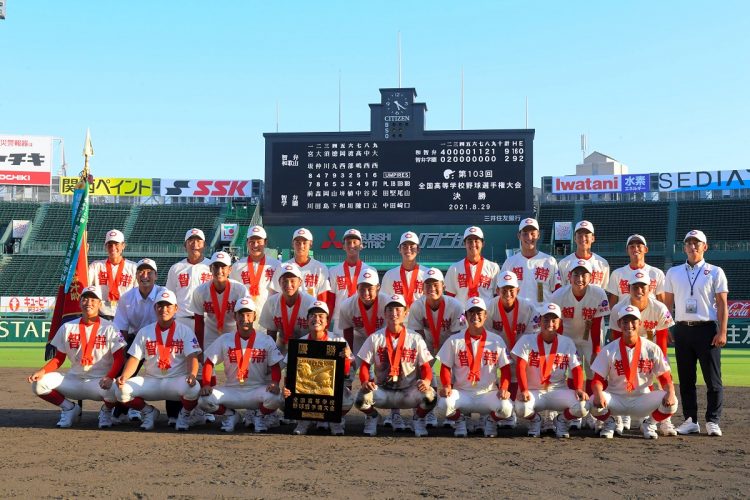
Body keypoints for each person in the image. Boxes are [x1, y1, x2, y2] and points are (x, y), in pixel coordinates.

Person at [28, 286, 126, 429]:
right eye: (85, 299)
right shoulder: (67, 327)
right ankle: (69, 408)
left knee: (115, 389)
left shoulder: (111, 328)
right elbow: (58, 359)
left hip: (98, 382)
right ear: (80, 303)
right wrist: (42, 371)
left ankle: (106, 411)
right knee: (38, 384)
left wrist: (110, 376)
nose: (88, 303)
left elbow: (119, 358)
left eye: (93, 299)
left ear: (100, 304)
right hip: (73, 379)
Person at [664, 229, 728, 437]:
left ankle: (712, 420)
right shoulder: (673, 272)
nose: (692, 246)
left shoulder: (715, 271)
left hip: (706, 329)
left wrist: (723, 332)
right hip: (682, 329)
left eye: (696, 243)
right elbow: (667, 303)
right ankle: (690, 420)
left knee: (713, 379)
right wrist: (666, 328)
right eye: (689, 243)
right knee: (686, 378)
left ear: (704, 247)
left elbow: (722, 304)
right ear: (684, 247)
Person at [114, 289, 202, 431]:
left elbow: (192, 356)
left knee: (194, 387)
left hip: (175, 380)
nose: (164, 309)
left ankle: (184, 414)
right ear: (155, 308)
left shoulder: (184, 330)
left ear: (176, 309)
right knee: (120, 390)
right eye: (160, 306)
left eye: (168, 306)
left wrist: (192, 374)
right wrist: (124, 376)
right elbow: (135, 359)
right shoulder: (145, 331)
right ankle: (148, 412)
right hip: (151, 380)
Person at [587, 305, 678, 439]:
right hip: (616, 399)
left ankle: (649, 424)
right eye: (625, 321)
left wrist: (670, 392)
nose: (629, 325)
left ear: (640, 323)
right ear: (619, 324)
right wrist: (598, 393)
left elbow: (665, 378)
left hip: (642, 399)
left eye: (633, 321)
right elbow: (597, 380)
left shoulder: (652, 348)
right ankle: (609, 423)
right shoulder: (609, 349)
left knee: (673, 402)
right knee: (593, 401)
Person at [354, 294, 437, 437]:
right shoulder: (375, 338)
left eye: (398, 309)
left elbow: (425, 367)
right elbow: (364, 365)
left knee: (431, 396)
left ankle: (418, 418)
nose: (394, 313)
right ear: (385, 313)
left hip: (408, 392)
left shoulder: (415, 338)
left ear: (405, 312)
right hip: (383, 391)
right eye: (390, 310)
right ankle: (373, 416)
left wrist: (427, 381)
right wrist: (365, 381)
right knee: (360, 398)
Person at [198, 297, 284, 433]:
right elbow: (209, 362)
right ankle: (231, 415)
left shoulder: (265, 340)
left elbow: (275, 366)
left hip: (256, 390)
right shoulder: (225, 339)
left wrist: (274, 382)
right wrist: (207, 384)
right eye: (241, 314)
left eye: (248, 314)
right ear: (235, 317)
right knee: (203, 400)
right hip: (232, 389)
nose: (245, 318)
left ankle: (259, 416)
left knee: (276, 398)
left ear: (254, 316)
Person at [436, 297, 513, 438]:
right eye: (471, 313)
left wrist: (504, 388)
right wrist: (446, 385)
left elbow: (505, 369)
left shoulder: (496, 340)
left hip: (487, 393)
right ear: (465, 316)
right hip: (462, 393)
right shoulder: (455, 340)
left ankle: (490, 421)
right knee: (442, 405)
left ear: (485, 316)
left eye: (479, 313)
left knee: (507, 408)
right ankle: (460, 420)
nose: (475, 316)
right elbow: (445, 366)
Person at [610, 271, 676, 436]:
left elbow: (661, 339)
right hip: (626, 350)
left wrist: (661, 362)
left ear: (650, 288)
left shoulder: (659, 308)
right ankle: (620, 418)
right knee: (619, 377)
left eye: (643, 287)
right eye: (635, 287)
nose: (639, 290)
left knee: (664, 381)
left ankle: (664, 421)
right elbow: (616, 339)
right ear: (628, 288)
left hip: (651, 351)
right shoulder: (618, 308)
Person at [549, 258, 610, 430]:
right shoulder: (559, 295)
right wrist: (558, 347)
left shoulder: (598, 294)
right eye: (576, 274)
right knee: (568, 373)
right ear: (569, 276)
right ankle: (575, 412)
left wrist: (596, 349)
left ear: (591, 277)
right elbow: (556, 323)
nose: (580, 278)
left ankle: (594, 412)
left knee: (593, 373)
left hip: (590, 338)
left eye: (584, 275)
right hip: (567, 337)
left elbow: (598, 324)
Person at [512, 303, 588, 438]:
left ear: (559, 322)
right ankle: (536, 420)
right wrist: (523, 389)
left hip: (558, 390)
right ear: (539, 321)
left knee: (583, 406)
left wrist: (578, 388)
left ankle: (561, 420)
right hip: (534, 391)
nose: (550, 323)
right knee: (521, 408)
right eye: (546, 319)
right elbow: (520, 367)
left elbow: (576, 368)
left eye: (554, 320)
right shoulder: (527, 340)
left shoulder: (567, 342)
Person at [379, 231, 429, 429]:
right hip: (396, 328)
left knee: (421, 370)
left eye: (412, 246)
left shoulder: (427, 273)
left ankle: (423, 413)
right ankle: (395, 413)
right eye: (405, 246)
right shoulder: (391, 275)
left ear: (418, 249)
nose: (409, 249)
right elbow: (385, 303)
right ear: (399, 249)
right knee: (395, 369)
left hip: (419, 328)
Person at [283, 301, 354, 436]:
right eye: (313, 315)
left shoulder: (339, 342)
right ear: (307, 320)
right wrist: (287, 387)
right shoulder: (300, 343)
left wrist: (346, 359)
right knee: (285, 397)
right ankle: (303, 419)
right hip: (308, 386)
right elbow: (290, 371)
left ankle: (335, 419)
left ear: (327, 321)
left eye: (321, 316)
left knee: (347, 399)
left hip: (328, 387)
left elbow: (346, 373)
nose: (317, 319)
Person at [407, 268, 465, 428]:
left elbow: (457, 337)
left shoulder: (456, 305)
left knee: (455, 373)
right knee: (421, 371)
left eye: (435, 284)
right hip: (426, 343)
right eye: (428, 284)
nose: (432, 288)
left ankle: (452, 412)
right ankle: (427, 408)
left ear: (444, 286)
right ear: (422, 287)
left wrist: (447, 359)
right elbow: (417, 337)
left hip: (450, 343)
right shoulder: (417, 306)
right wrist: (424, 360)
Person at [112, 258, 167, 423]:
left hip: (161, 340)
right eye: (141, 272)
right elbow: (121, 328)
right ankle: (129, 409)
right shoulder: (127, 297)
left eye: (149, 272)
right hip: (135, 338)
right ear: (135, 275)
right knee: (123, 374)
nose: (145, 276)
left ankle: (175, 413)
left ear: (156, 276)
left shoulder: (163, 293)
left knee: (170, 373)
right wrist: (121, 355)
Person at [485, 270, 539, 429]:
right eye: (504, 289)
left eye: (511, 289)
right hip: (494, 349)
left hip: (520, 347)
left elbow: (531, 336)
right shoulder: (489, 307)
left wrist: (517, 354)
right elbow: (486, 334)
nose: (507, 293)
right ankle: (491, 412)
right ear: (497, 291)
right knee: (488, 377)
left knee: (519, 375)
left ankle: (513, 412)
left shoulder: (529, 307)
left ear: (518, 290)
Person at [191, 251, 247, 352]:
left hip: (233, 333)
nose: (219, 271)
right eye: (216, 266)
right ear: (210, 269)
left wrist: (242, 341)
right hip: (211, 334)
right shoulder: (200, 291)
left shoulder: (240, 290)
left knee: (235, 366)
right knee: (207, 365)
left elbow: (244, 319)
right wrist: (199, 348)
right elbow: (199, 322)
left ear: (230, 269)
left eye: (223, 267)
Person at [259, 263, 317, 355]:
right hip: (281, 345)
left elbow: (316, 331)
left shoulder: (311, 302)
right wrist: (272, 356)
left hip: (305, 346)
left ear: (300, 282)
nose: (288, 285)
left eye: (292, 281)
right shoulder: (272, 302)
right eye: (285, 281)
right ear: (279, 283)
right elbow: (271, 332)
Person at [500, 218, 560, 306]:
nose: (529, 237)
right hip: (519, 315)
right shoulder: (510, 262)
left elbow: (558, 291)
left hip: (542, 315)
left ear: (538, 235)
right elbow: (502, 291)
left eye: (533, 233)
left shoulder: (549, 261)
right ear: (519, 236)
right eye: (525, 234)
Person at [229, 225, 281, 324]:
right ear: (247, 243)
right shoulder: (237, 267)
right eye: (252, 242)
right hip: (245, 319)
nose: (255, 245)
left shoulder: (276, 265)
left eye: (259, 242)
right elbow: (233, 294)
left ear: (265, 243)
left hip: (269, 317)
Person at [326, 228, 373, 334]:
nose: (352, 245)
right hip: (340, 321)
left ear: (361, 245)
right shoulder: (334, 271)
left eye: (355, 242)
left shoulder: (370, 271)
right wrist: (327, 324)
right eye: (348, 242)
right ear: (343, 246)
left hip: (362, 320)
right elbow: (331, 301)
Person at [166, 228, 212, 330]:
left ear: (204, 245)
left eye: (198, 241)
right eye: (191, 240)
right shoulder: (176, 268)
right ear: (185, 245)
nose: (195, 244)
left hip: (207, 320)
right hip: (183, 319)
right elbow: (170, 296)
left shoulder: (213, 266)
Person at [271, 227, 331, 301]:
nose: (301, 246)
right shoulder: (282, 267)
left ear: (310, 244)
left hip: (311, 310)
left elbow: (322, 299)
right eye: (298, 242)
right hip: (289, 311)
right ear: (293, 244)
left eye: (304, 243)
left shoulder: (320, 268)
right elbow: (277, 296)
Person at [88, 229, 137, 319]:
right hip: (101, 315)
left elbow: (138, 293)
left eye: (116, 244)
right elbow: (84, 282)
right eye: (110, 245)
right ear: (105, 247)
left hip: (125, 315)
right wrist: (82, 256)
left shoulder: (133, 267)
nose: (113, 248)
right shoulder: (96, 266)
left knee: (120, 334)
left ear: (123, 246)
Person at [444, 226, 500, 304]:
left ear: (483, 244)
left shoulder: (493, 267)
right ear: (464, 244)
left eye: (476, 240)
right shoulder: (454, 268)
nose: (473, 244)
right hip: (462, 315)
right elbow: (449, 297)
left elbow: (497, 297)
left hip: (486, 314)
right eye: (469, 241)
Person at [606, 234, 666, 306]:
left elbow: (662, 302)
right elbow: (612, 303)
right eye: (632, 247)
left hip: (650, 315)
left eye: (639, 246)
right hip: (626, 315)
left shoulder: (657, 273)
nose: (636, 249)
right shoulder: (617, 273)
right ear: (627, 250)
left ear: (645, 249)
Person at [557, 220, 610, 290]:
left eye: (586, 235)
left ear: (593, 238)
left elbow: (604, 290)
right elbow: (561, 291)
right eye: (580, 235)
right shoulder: (564, 263)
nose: (583, 238)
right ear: (575, 238)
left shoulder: (603, 263)